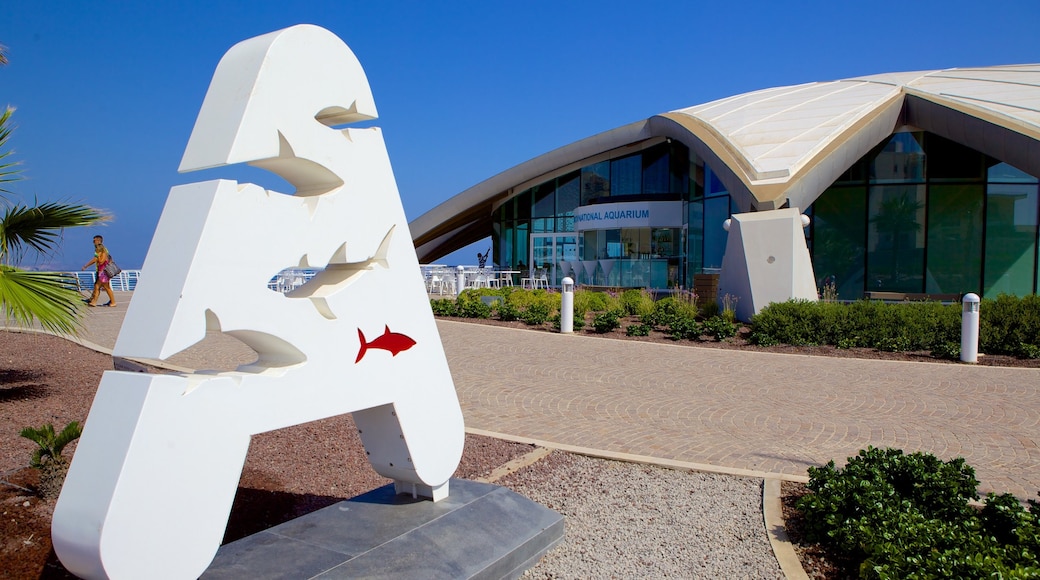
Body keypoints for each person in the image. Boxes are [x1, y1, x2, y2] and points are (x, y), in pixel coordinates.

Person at [82, 235, 116, 307]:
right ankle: (93, 300)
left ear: (98, 241)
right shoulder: (100, 249)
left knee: (103, 287)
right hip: (101, 271)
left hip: (103, 272)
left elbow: (100, 261)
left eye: (94, 241)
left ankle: (110, 302)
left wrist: (86, 265)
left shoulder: (101, 250)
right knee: (98, 286)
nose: (93, 242)